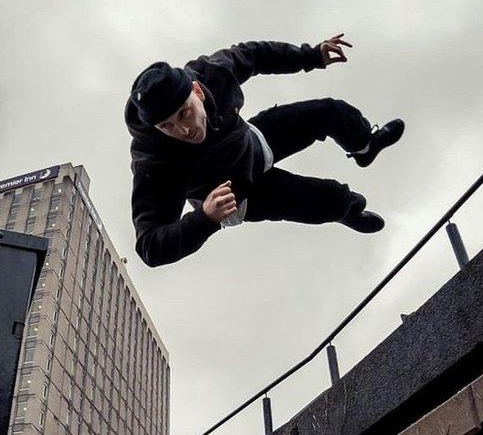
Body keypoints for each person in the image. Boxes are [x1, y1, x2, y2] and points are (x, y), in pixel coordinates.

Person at [125, 34, 404, 267]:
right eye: (166, 126)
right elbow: (150, 247)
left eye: (184, 114)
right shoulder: (153, 161)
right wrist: (204, 219)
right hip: (239, 196)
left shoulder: (212, 73)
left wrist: (311, 56)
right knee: (331, 198)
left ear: (197, 91)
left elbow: (254, 55)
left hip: (254, 143)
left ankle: (364, 146)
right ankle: (348, 209)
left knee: (331, 111)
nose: (183, 130)